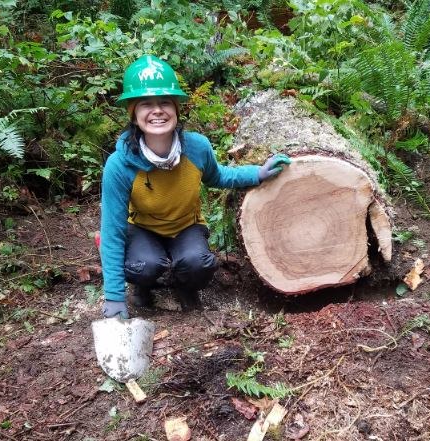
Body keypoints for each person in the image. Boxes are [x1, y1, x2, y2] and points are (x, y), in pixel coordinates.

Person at [100, 55, 290, 319]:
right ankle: (143, 287)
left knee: (198, 264)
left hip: (185, 226)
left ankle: (184, 286)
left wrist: (257, 173)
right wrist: (113, 296)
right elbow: (112, 232)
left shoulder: (197, 148)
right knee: (144, 265)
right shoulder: (120, 165)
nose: (157, 110)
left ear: (177, 109)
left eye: (165, 102)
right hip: (142, 229)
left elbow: (219, 176)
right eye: (146, 104)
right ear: (134, 113)